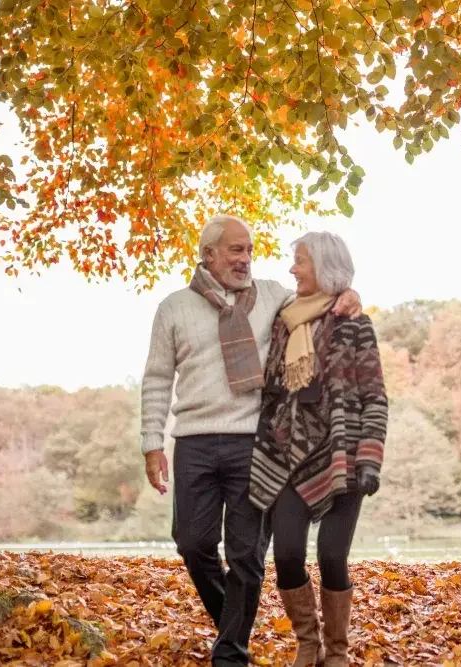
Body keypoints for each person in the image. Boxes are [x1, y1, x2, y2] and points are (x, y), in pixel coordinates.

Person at [139, 215, 363, 667]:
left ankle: (231, 653)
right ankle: (234, 622)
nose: (246, 260)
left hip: (254, 445)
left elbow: (318, 298)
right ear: (209, 255)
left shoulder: (272, 297)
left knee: (246, 553)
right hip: (194, 442)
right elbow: (158, 379)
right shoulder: (174, 308)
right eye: (236, 250)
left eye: (250, 251)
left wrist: (350, 295)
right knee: (192, 543)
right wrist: (151, 442)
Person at [248, 231, 388, 667]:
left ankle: (338, 651)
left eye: (301, 261)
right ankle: (308, 643)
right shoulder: (282, 318)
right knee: (286, 553)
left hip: (342, 459)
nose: (292, 269)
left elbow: (374, 396)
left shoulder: (354, 324)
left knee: (332, 555)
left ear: (324, 267)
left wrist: (370, 457)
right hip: (288, 457)